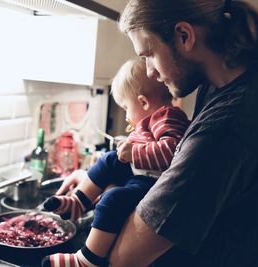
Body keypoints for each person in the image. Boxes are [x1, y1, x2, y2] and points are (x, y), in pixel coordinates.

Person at [100, 0, 258, 267]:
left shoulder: (228, 127)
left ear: (184, 36)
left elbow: (125, 257)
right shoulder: (242, 84)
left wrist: (108, 189)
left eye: (148, 54)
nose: (150, 72)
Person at [41, 58, 190, 267]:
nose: (127, 115)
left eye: (126, 108)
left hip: (152, 184)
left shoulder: (167, 116)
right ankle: (78, 202)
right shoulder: (155, 118)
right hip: (143, 174)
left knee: (113, 199)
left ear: (144, 102)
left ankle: (87, 260)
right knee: (109, 159)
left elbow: (171, 152)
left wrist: (134, 151)